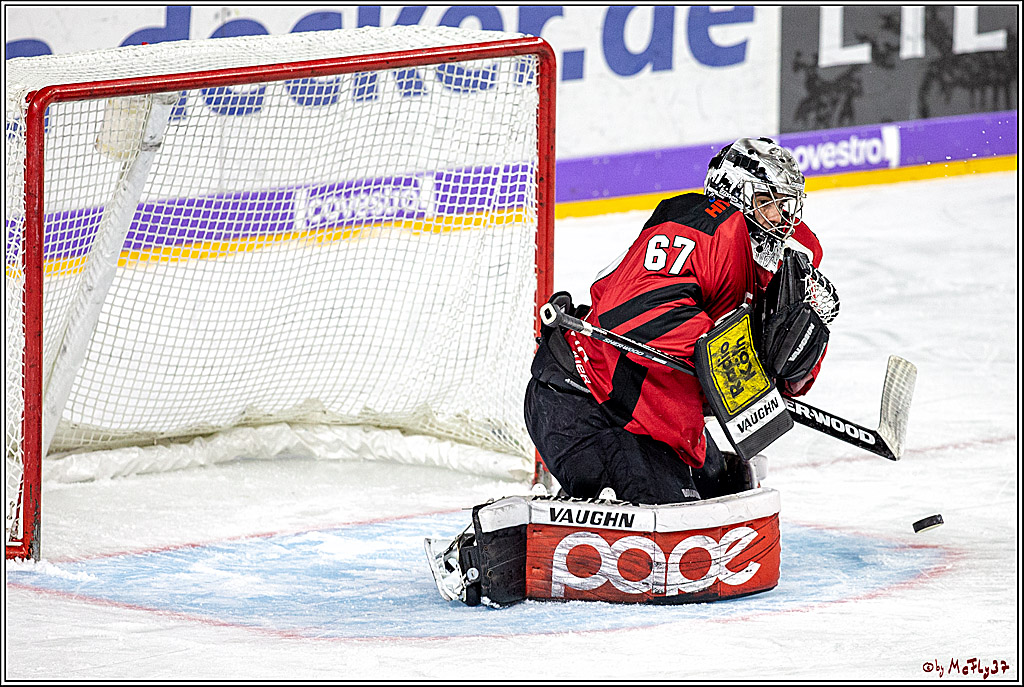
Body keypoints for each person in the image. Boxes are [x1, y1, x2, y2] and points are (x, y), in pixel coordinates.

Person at [525, 137, 833, 505]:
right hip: (587, 401)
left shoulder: (774, 262)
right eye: (768, 203)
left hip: (657, 415)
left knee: (730, 490)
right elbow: (631, 315)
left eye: (785, 205)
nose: (781, 219)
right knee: (664, 528)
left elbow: (771, 372)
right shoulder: (697, 225)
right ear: (733, 190)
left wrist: (797, 360)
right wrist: (732, 361)